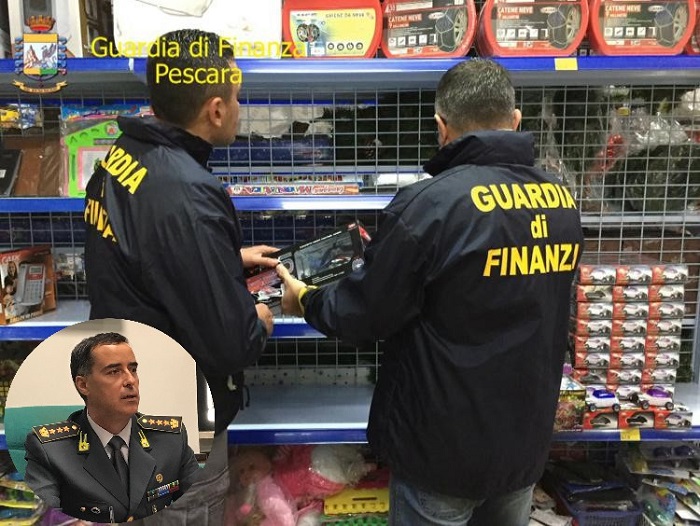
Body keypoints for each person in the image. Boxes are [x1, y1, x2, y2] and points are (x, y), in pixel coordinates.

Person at [277, 59, 585, 526]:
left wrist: (305, 298)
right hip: (522, 446)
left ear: (441, 126)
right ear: (516, 119)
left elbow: (364, 313)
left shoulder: (431, 205)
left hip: (441, 451)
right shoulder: (560, 201)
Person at [83, 28, 277, 524]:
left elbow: (141, 252)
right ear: (216, 109)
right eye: (236, 98)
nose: (238, 108)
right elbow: (230, 344)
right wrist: (257, 320)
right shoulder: (189, 194)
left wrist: (219, 258)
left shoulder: (122, 155)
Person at [24, 332, 201, 523]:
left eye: (133, 369)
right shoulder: (50, 450)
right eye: (114, 372)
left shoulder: (171, 440)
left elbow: (200, 505)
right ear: (83, 385)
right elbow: (44, 519)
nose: (130, 380)